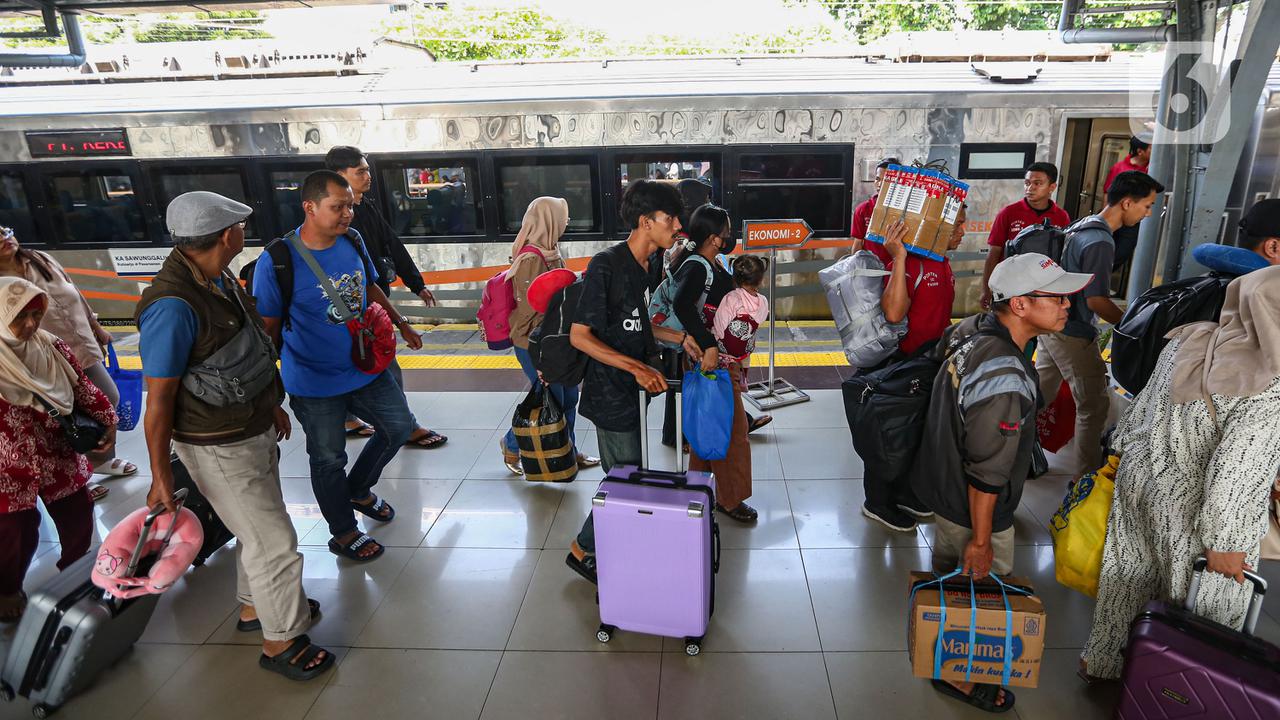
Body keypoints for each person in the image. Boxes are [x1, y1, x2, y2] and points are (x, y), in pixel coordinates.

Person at [137, 191, 332, 681]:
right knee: (275, 542)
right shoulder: (173, 306)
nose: (246, 232)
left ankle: (254, 607)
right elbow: (158, 402)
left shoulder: (215, 275)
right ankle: (281, 640)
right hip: (217, 444)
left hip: (249, 426)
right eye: (242, 226)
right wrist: (160, 477)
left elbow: (247, 348)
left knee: (256, 528)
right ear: (228, 236)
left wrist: (270, 407)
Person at [911, 253, 1091, 714]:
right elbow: (988, 470)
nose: (1068, 304)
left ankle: (951, 660)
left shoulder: (972, 330)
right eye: (1055, 297)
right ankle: (960, 676)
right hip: (969, 503)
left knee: (955, 582)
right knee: (979, 590)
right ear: (1021, 306)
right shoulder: (1005, 377)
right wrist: (984, 539)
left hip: (945, 487)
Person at [1080, 266, 1280, 682]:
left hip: (1139, 477)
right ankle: (1179, 692)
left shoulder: (1191, 337)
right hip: (1196, 509)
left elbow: (1139, 409)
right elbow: (1236, 473)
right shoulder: (1269, 379)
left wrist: (1123, 462)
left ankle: (1103, 664)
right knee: (1208, 614)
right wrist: (1225, 544)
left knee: (1127, 579)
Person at [252, 170, 423, 563]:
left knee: (398, 426)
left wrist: (401, 322)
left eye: (349, 205)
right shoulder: (277, 260)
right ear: (309, 207)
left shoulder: (352, 239)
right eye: (338, 206)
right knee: (328, 457)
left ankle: (359, 489)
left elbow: (370, 286)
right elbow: (268, 333)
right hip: (312, 380)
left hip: (364, 366)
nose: (348, 213)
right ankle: (344, 531)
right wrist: (270, 395)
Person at [563, 179, 704, 584]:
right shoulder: (606, 265)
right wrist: (637, 368)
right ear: (646, 222)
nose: (678, 225)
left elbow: (639, 324)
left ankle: (617, 539)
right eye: (670, 218)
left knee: (631, 472)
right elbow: (580, 335)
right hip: (610, 390)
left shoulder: (653, 263)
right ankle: (582, 550)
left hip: (634, 389)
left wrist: (681, 338)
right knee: (623, 477)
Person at [0, 278, 113, 622]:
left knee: (78, 515)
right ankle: (7, 589)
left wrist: (107, 420)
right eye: (21, 316)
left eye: (36, 314)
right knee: (14, 530)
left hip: (56, 451)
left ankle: (76, 577)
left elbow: (81, 387)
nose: (32, 324)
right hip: (7, 465)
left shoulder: (50, 346)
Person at [1038, 170, 1164, 478]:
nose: (1147, 213)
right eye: (1146, 206)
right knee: (1093, 406)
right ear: (1126, 203)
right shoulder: (1100, 241)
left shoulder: (1082, 225)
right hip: (1073, 330)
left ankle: (1013, 455)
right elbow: (1096, 301)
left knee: (1037, 396)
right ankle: (1083, 482)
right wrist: (1132, 327)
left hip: (1049, 324)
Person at [855, 204, 968, 532]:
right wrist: (899, 256)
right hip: (900, 363)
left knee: (915, 431)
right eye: (958, 225)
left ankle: (904, 494)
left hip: (929, 361)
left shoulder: (941, 262)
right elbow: (892, 313)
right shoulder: (909, 263)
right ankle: (877, 501)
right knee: (889, 432)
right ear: (938, 226)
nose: (964, 230)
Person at [324, 146, 446, 449]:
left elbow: (391, 243)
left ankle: (349, 418)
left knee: (359, 362)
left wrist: (416, 283)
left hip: (371, 303)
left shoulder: (365, 209)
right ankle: (405, 425)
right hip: (352, 309)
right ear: (339, 176)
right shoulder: (335, 226)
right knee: (383, 363)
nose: (369, 176)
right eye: (361, 171)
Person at [0, 225, 136, 492]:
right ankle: (79, 478)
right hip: (44, 358)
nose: (5, 239)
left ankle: (100, 460)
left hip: (80, 344)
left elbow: (74, 291)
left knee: (107, 398)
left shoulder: (39, 259)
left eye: (5, 232)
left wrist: (96, 327)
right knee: (65, 417)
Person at [498, 196, 599, 474]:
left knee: (567, 399)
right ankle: (511, 444)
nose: (566, 221)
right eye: (562, 216)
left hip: (555, 340)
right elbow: (534, 309)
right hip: (536, 342)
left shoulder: (550, 250)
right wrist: (542, 360)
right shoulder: (531, 257)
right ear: (549, 220)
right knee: (550, 400)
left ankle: (570, 451)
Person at [670, 204, 756, 523]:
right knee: (733, 430)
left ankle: (699, 488)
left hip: (715, 357)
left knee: (708, 426)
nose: (730, 237)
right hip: (711, 359)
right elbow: (681, 304)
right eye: (726, 232)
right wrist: (707, 345)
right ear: (713, 238)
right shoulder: (697, 267)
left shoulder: (711, 262)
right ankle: (730, 500)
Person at [980, 162, 1072, 309]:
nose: (1030, 188)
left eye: (1038, 183)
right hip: (1010, 286)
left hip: (1044, 289)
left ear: (1052, 187)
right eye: (1027, 183)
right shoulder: (1009, 213)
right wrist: (986, 289)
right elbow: (994, 253)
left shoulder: (1062, 217)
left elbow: (1064, 255)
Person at [1103, 136, 1153, 269]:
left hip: (1134, 221)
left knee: (1122, 253)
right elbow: (1108, 193)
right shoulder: (1119, 168)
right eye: (1151, 148)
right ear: (1140, 151)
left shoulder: (1153, 169)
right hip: (1116, 216)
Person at [851, 157, 900, 243]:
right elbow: (858, 243)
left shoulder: (908, 212)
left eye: (886, 180)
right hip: (871, 257)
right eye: (877, 179)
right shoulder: (863, 209)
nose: (880, 184)